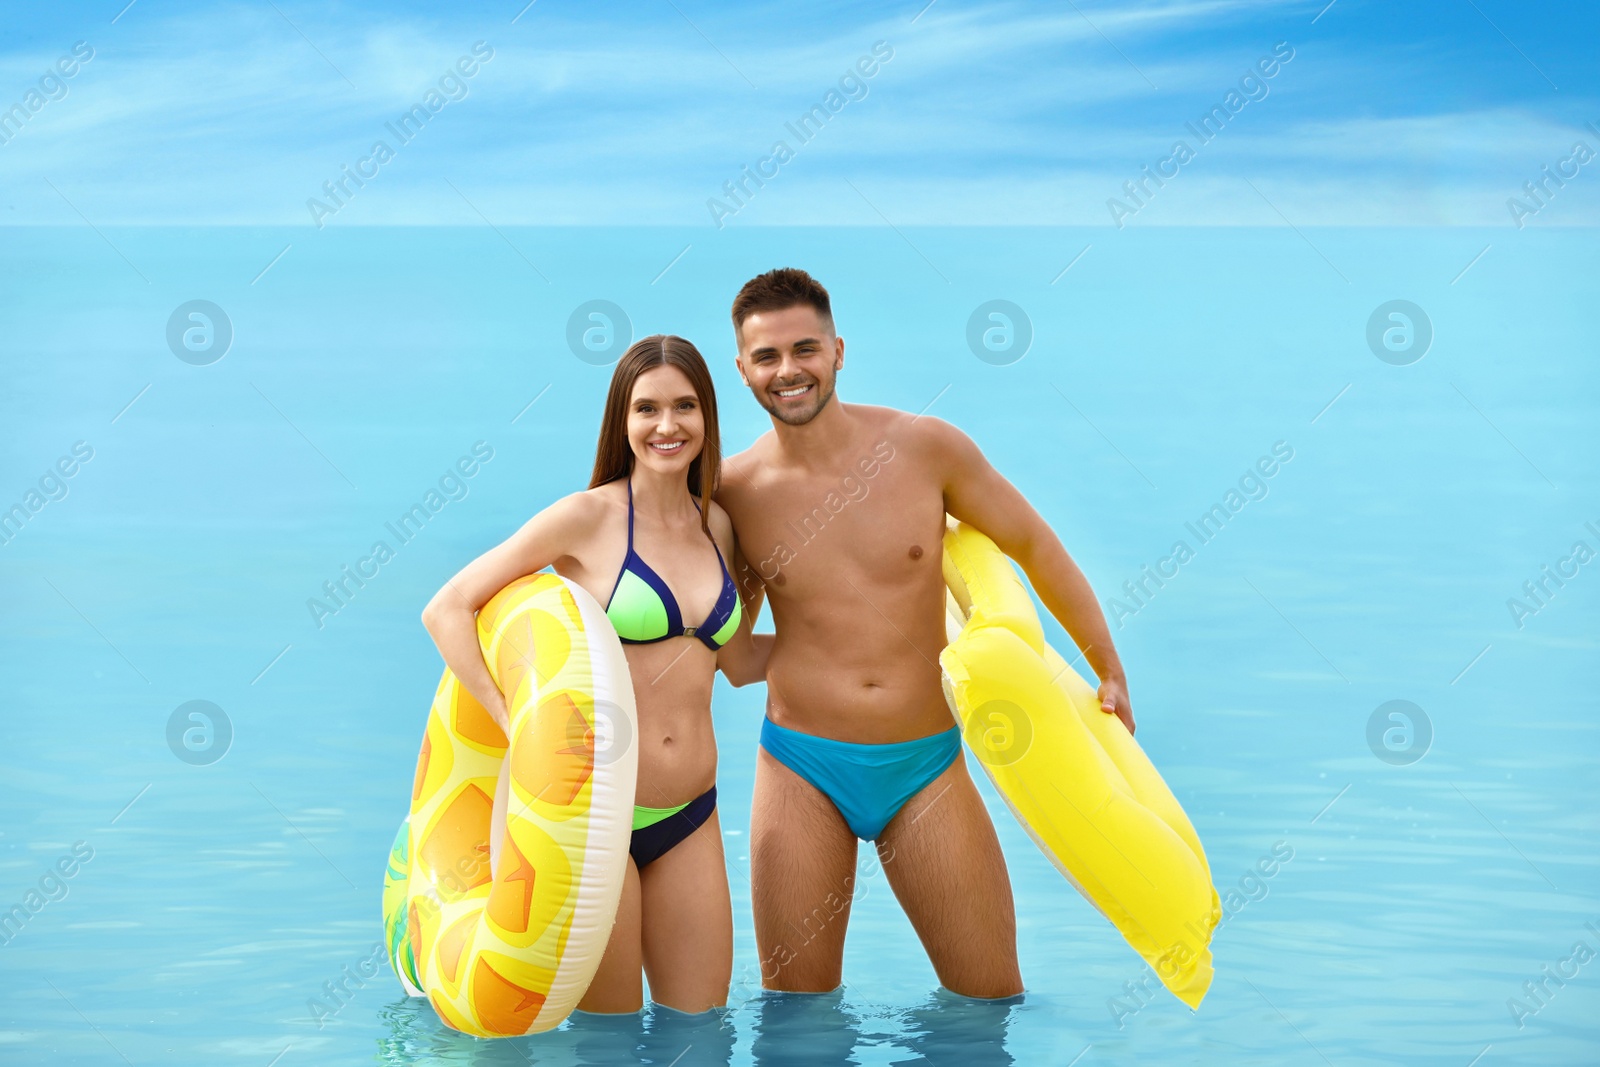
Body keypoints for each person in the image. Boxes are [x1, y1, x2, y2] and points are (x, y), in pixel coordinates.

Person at [715, 268, 1134, 999]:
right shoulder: (735, 490)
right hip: (799, 769)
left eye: (805, 349)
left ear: (839, 350)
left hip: (927, 767)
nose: (789, 371)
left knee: (987, 1002)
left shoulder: (925, 450)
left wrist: (1109, 667)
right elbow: (733, 654)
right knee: (797, 1020)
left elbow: (1034, 546)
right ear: (742, 369)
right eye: (767, 357)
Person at [419, 335, 769, 1014]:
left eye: (685, 406)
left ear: (708, 417)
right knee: (610, 1039)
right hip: (590, 821)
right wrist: (514, 722)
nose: (667, 425)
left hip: (691, 812)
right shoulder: (588, 518)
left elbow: (738, 660)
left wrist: (867, 652)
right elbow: (448, 608)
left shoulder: (717, 527)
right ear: (623, 420)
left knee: (701, 1032)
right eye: (647, 409)